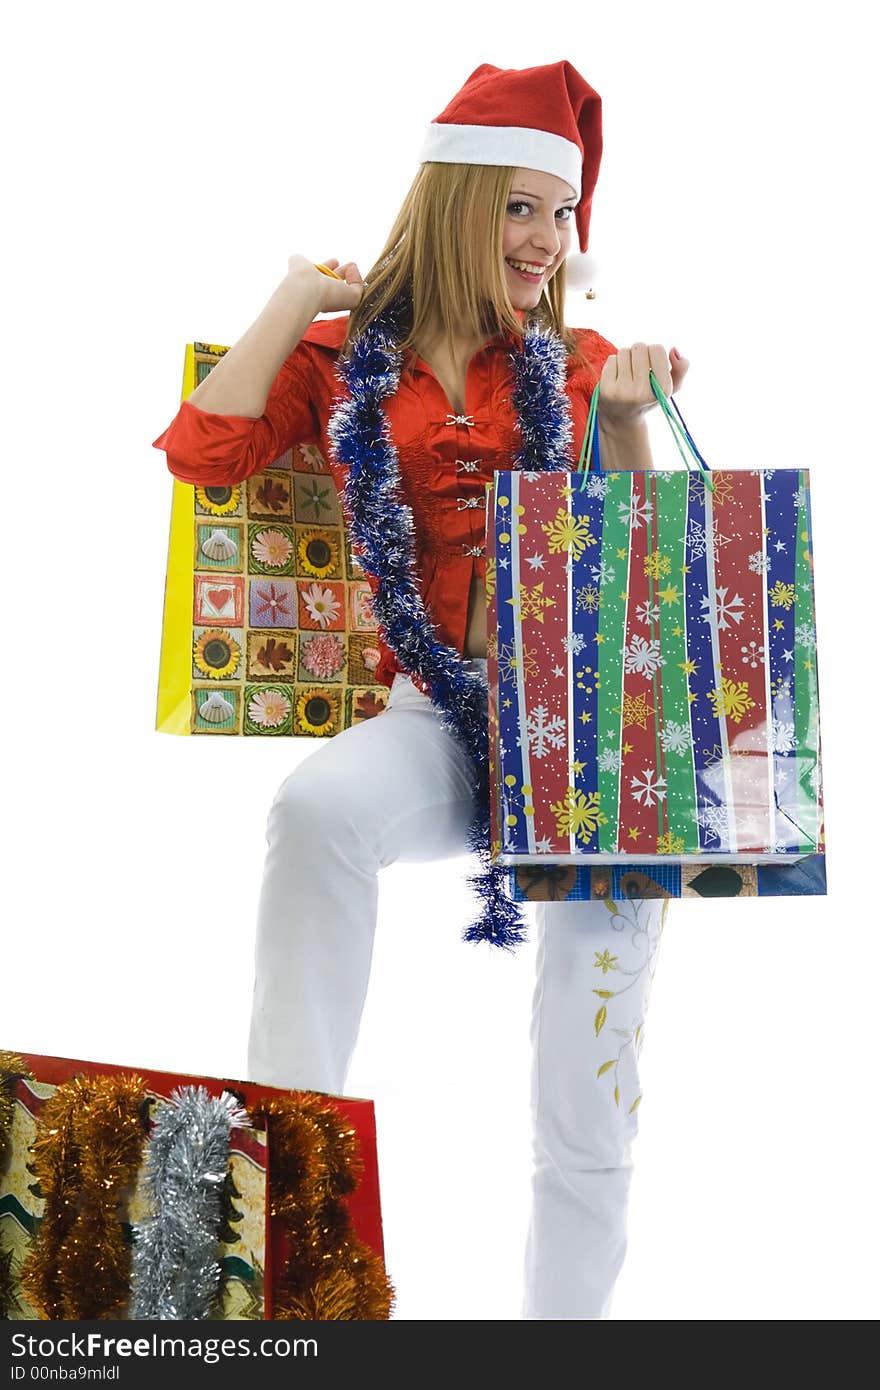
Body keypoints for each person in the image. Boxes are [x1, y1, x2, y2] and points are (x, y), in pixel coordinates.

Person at [152, 60, 690, 1320]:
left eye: (560, 217)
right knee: (320, 811)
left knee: (587, 1063)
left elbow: (651, 578)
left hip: (588, 738)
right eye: (518, 209)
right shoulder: (349, 360)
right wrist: (295, 296)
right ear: (453, 203)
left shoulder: (575, 359)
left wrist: (620, 423)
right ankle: (289, 1222)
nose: (546, 242)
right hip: (434, 715)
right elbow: (204, 452)